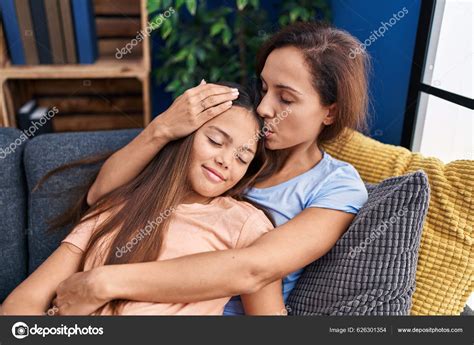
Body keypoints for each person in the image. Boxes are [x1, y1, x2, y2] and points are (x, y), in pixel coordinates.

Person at [51, 21, 369, 316]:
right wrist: (161, 128)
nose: (263, 107)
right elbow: (102, 197)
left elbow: (253, 269)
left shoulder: (336, 186)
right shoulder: (235, 138)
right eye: (263, 87)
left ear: (330, 112)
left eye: (285, 98)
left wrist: (104, 282)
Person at [2, 83, 285, 316]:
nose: (225, 161)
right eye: (215, 141)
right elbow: (22, 303)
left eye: (242, 157)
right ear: (184, 134)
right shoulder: (117, 206)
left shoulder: (244, 223)